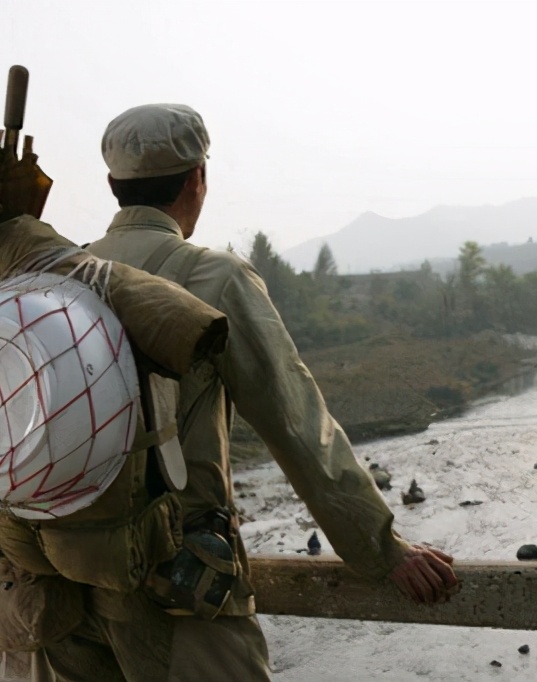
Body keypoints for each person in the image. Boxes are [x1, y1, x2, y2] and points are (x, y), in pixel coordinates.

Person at [68, 103, 458, 680]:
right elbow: (296, 421)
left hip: (67, 583)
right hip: (179, 580)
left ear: (111, 185)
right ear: (198, 179)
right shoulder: (213, 278)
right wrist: (382, 550)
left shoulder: (64, 275)